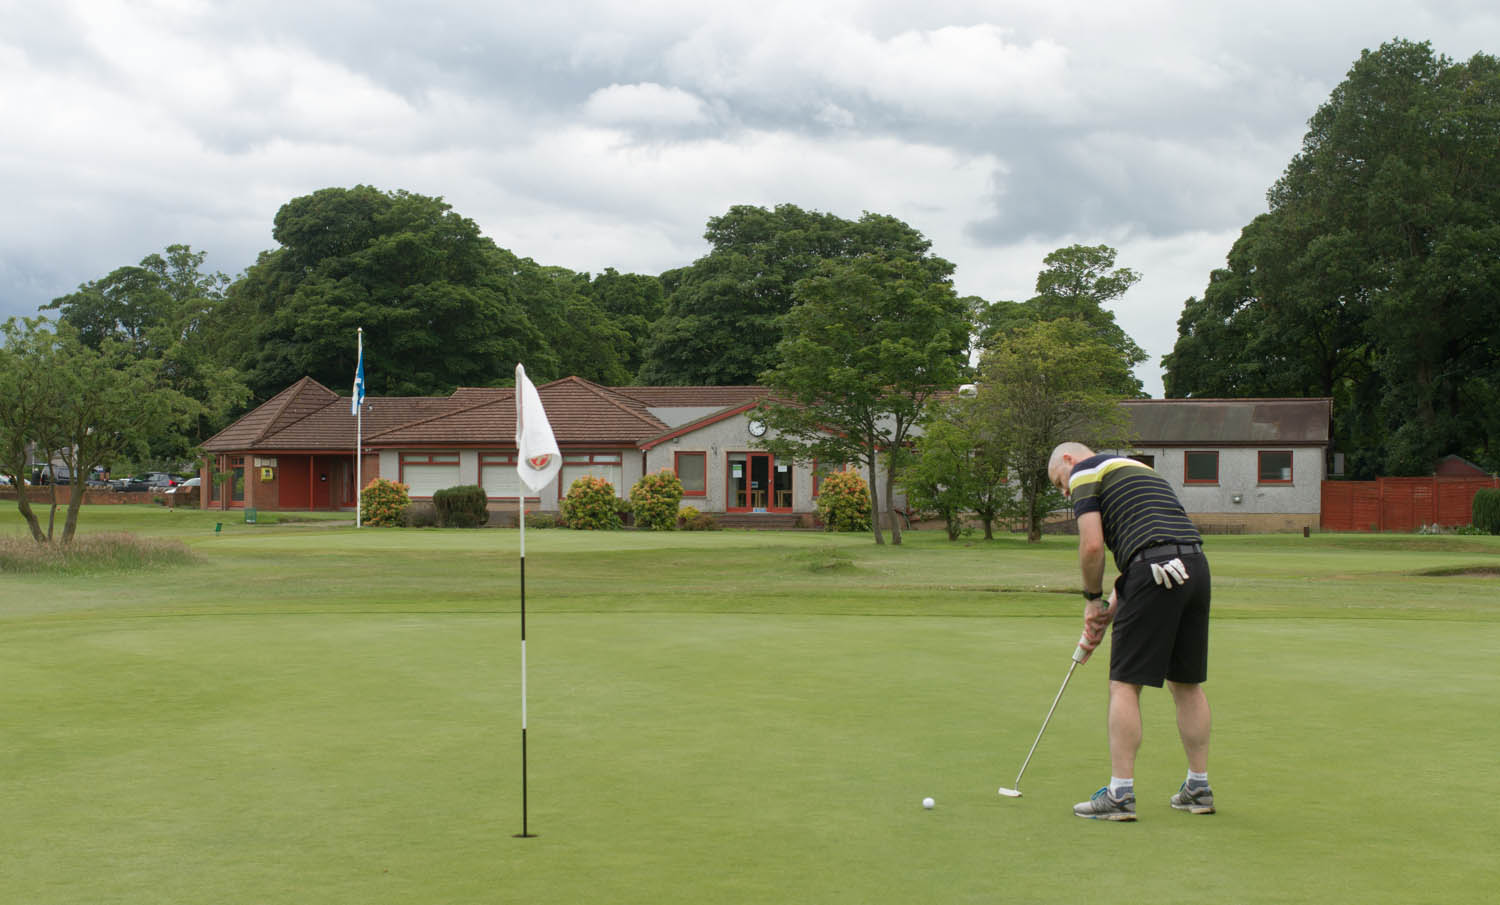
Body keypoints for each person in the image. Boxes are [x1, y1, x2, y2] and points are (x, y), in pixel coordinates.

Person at [1047, 442, 1216, 822]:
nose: (1065, 491)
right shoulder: (1140, 471)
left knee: (1124, 683)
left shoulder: (1085, 472)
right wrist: (1109, 609)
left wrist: (1091, 599)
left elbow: (1093, 546)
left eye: (1060, 483)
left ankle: (1120, 794)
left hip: (1153, 569)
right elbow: (1147, 546)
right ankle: (1198, 787)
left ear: (1069, 460)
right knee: (1185, 682)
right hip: (1195, 566)